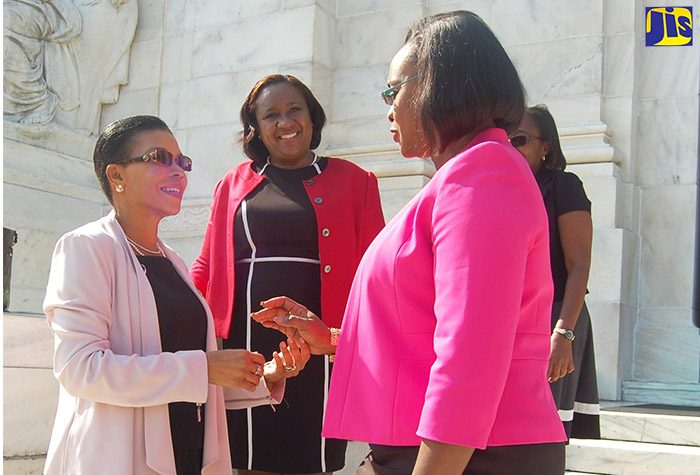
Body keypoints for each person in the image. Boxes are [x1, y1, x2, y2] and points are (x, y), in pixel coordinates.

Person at [252, 10, 569, 475]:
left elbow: (471, 354)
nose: (388, 108)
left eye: (392, 90)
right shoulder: (466, 175)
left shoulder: (484, 174)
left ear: (439, 85)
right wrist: (335, 340)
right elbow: (431, 327)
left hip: (473, 454)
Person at [43, 115, 309, 475]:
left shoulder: (173, 261)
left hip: (188, 455)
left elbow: (193, 380)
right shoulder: (86, 247)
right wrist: (205, 366)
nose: (179, 172)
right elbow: (81, 369)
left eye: (182, 162)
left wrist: (262, 376)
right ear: (116, 175)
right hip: (118, 458)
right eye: (159, 158)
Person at [190, 75, 385, 474]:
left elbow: (377, 270)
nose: (285, 122)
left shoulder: (356, 181)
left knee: (310, 458)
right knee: (244, 454)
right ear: (256, 128)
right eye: (271, 115)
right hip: (246, 339)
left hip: (320, 340)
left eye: (294, 109)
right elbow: (207, 265)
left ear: (312, 116)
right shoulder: (232, 183)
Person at [510, 104, 601, 439]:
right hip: (514, 320)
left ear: (545, 145)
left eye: (518, 140)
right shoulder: (505, 192)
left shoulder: (564, 186)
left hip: (556, 319)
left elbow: (579, 266)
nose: (509, 148)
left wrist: (564, 335)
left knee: (544, 431)